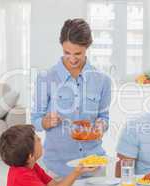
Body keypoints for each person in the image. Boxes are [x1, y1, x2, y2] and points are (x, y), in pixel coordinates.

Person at [31, 18, 111, 177]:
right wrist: (46, 122)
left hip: (93, 166)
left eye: (78, 53)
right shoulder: (46, 78)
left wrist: (101, 125)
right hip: (58, 170)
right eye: (67, 53)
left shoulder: (102, 80)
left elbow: (104, 117)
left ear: (87, 47)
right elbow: (36, 120)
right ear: (61, 46)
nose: (72, 59)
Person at [0, 125, 98, 186]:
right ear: (30, 156)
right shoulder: (21, 175)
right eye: (37, 140)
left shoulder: (32, 166)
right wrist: (76, 172)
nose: (40, 139)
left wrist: (79, 170)